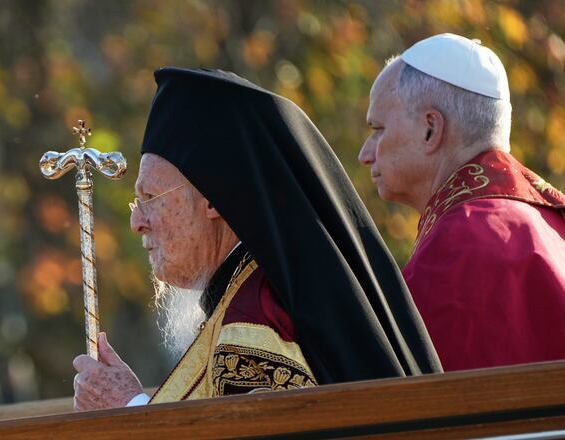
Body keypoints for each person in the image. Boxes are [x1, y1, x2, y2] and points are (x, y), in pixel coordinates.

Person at [73, 67, 441, 411]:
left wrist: (128, 409)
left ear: (213, 199)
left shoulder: (254, 322)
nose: (137, 221)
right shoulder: (253, 291)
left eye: (150, 198)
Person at [359, 33, 565, 372]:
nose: (365, 154)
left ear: (430, 129)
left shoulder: (459, 245)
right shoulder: (550, 221)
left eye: (378, 129)